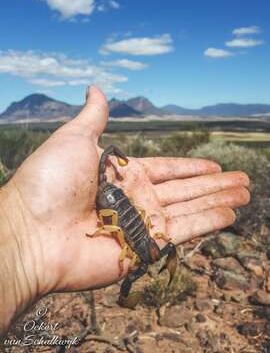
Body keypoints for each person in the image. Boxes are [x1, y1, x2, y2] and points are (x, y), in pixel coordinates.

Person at [0, 86, 250, 335]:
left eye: (156, 249)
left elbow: (150, 226)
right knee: (118, 225)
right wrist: (92, 233)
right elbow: (113, 228)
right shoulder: (134, 251)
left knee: (133, 221)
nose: (157, 249)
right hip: (113, 203)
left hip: (121, 206)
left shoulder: (151, 241)